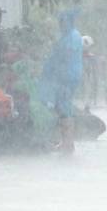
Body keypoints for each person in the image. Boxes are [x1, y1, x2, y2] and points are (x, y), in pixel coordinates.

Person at [40, 10, 85, 155]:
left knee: (64, 108)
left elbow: (63, 56)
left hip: (68, 78)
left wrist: (50, 67)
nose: (61, 25)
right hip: (63, 76)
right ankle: (66, 141)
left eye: (64, 21)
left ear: (71, 22)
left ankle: (68, 143)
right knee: (61, 107)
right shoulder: (68, 36)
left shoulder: (73, 37)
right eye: (60, 22)